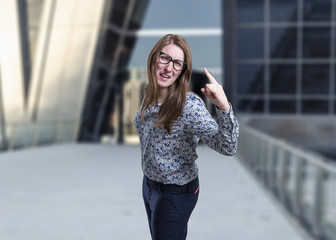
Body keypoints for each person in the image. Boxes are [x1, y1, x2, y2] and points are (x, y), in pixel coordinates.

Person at [134, 34, 239, 240]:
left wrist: (224, 106)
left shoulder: (188, 105)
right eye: (164, 58)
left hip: (174, 192)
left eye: (177, 63)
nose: (168, 68)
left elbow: (228, 147)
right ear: (154, 57)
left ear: (182, 71)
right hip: (150, 185)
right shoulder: (150, 94)